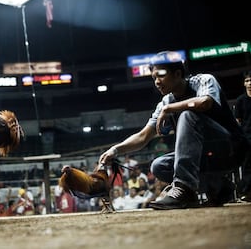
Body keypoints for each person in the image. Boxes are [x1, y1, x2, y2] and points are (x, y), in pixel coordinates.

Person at [99, 50, 248, 210]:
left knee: (188, 115)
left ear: (177, 73)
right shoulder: (166, 102)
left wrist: (170, 108)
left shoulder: (203, 80)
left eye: (161, 76)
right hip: (204, 155)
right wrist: (115, 150)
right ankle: (219, 186)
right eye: (154, 78)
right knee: (159, 165)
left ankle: (184, 189)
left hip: (231, 148)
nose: (156, 82)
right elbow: (143, 137)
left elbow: (205, 102)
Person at [233, 70, 251, 201]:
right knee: (247, 167)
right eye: (247, 80)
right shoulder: (240, 101)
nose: (250, 83)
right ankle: (248, 193)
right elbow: (237, 122)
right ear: (244, 83)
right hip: (247, 139)